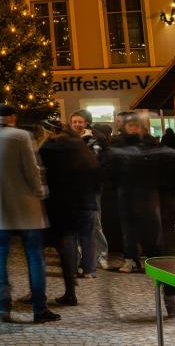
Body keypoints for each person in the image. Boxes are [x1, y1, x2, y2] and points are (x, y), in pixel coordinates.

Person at [0, 103, 60, 324]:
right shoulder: (22, 136)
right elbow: (31, 169)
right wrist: (40, 191)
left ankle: (3, 306)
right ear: (12, 117)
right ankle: (39, 308)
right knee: (34, 255)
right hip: (27, 205)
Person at [106, 112, 175, 318]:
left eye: (136, 125)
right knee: (131, 235)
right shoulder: (118, 147)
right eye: (130, 125)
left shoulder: (152, 145)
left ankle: (170, 302)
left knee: (158, 252)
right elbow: (111, 172)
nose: (133, 128)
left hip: (150, 202)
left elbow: (170, 166)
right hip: (128, 200)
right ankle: (131, 259)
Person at [39, 119, 100, 306]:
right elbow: (97, 177)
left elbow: (44, 176)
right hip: (86, 203)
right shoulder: (82, 149)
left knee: (53, 246)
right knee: (82, 240)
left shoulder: (51, 149)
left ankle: (45, 291)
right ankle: (80, 279)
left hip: (62, 205)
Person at [69, 109, 108, 274]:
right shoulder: (67, 139)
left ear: (86, 123)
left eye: (80, 121)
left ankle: (101, 255)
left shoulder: (95, 139)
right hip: (72, 187)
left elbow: (100, 161)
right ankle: (79, 259)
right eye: (74, 122)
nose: (77, 124)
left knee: (96, 222)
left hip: (91, 186)